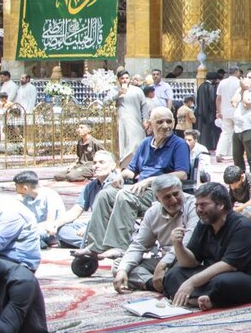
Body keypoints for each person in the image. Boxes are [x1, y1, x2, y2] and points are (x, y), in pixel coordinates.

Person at [76, 106, 189, 259]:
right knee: (104, 195)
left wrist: (149, 180)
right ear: (150, 124)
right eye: (160, 122)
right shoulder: (145, 143)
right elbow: (131, 170)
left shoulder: (179, 144)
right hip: (140, 190)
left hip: (161, 193)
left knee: (125, 196)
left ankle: (119, 246)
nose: (165, 125)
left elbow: (182, 174)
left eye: (169, 121)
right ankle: (95, 246)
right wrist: (120, 176)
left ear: (174, 123)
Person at [164, 183, 251, 310]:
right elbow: (191, 262)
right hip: (214, 274)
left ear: (221, 205)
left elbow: (228, 265)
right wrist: (178, 246)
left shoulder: (243, 226)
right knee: (173, 273)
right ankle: (206, 298)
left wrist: (191, 282)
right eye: (197, 205)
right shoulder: (204, 223)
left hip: (247, 277)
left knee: (221, 282)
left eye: (203, 205)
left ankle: (199, 298)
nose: (199, 210)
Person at [112, 176, 196, 292]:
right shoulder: (152, 212)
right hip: (163, 259)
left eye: (176, 194)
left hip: (187, 258)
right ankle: (157, 284)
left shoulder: (194, 206)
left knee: (179, 272)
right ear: (157, 198)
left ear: (181, 190)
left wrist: (163, 264)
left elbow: (188, 241)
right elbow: (139, 245)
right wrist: (123, 270)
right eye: (167, 197)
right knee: (119, 266)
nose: (173, 200)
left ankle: (161, 282)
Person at [54, 150, 120, 250]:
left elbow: (115, 217)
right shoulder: (91, 186)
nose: (97, 166)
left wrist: (90, 227)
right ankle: (92, 244)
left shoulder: (117, 184)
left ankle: (92, 244)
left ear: (113, 166)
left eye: (101, 162)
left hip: (112, 226)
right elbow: (76, 210)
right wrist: (56, 224)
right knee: (61, 230)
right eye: (95, 163)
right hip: (93, 225)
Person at [13, 170, 66, 248]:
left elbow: (50, 222)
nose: (15, 189)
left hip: (52, 231)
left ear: (25, 188)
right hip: (37, 229)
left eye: (16, 186)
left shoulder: (50, 195)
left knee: (23, 235)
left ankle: (39, 243)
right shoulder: (26, 198)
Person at [114, 70, 147, 154]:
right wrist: (117, 94)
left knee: (137, 140)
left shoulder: (137, 90)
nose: (125, 80)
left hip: (136, 120)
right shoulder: (114, 90)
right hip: (123, 120)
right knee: (124, 142)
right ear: (118, 79)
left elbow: (144, 105)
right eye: (122, 78)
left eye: (126, 78)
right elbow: (105, 102)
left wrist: (145, 119)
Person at [215, 67, 241, 162]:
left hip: (225, 111)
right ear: (237, 72)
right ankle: (235, 153)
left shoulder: (222, 82)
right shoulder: (239, 83)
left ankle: (219, 152)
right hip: (237, 111)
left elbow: (218, 99)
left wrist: (218, 111)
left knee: (225, 133)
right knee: (237, 132)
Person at [195, 70, 220, 152]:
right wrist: (215, 111)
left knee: (202, 130)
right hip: (209, 113)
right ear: (214, 79)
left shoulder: (201, 86)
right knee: (209, 131)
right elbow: (212, 101)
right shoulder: (210, 87)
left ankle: (203, 145)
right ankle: (209, 146)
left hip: (200, 112)